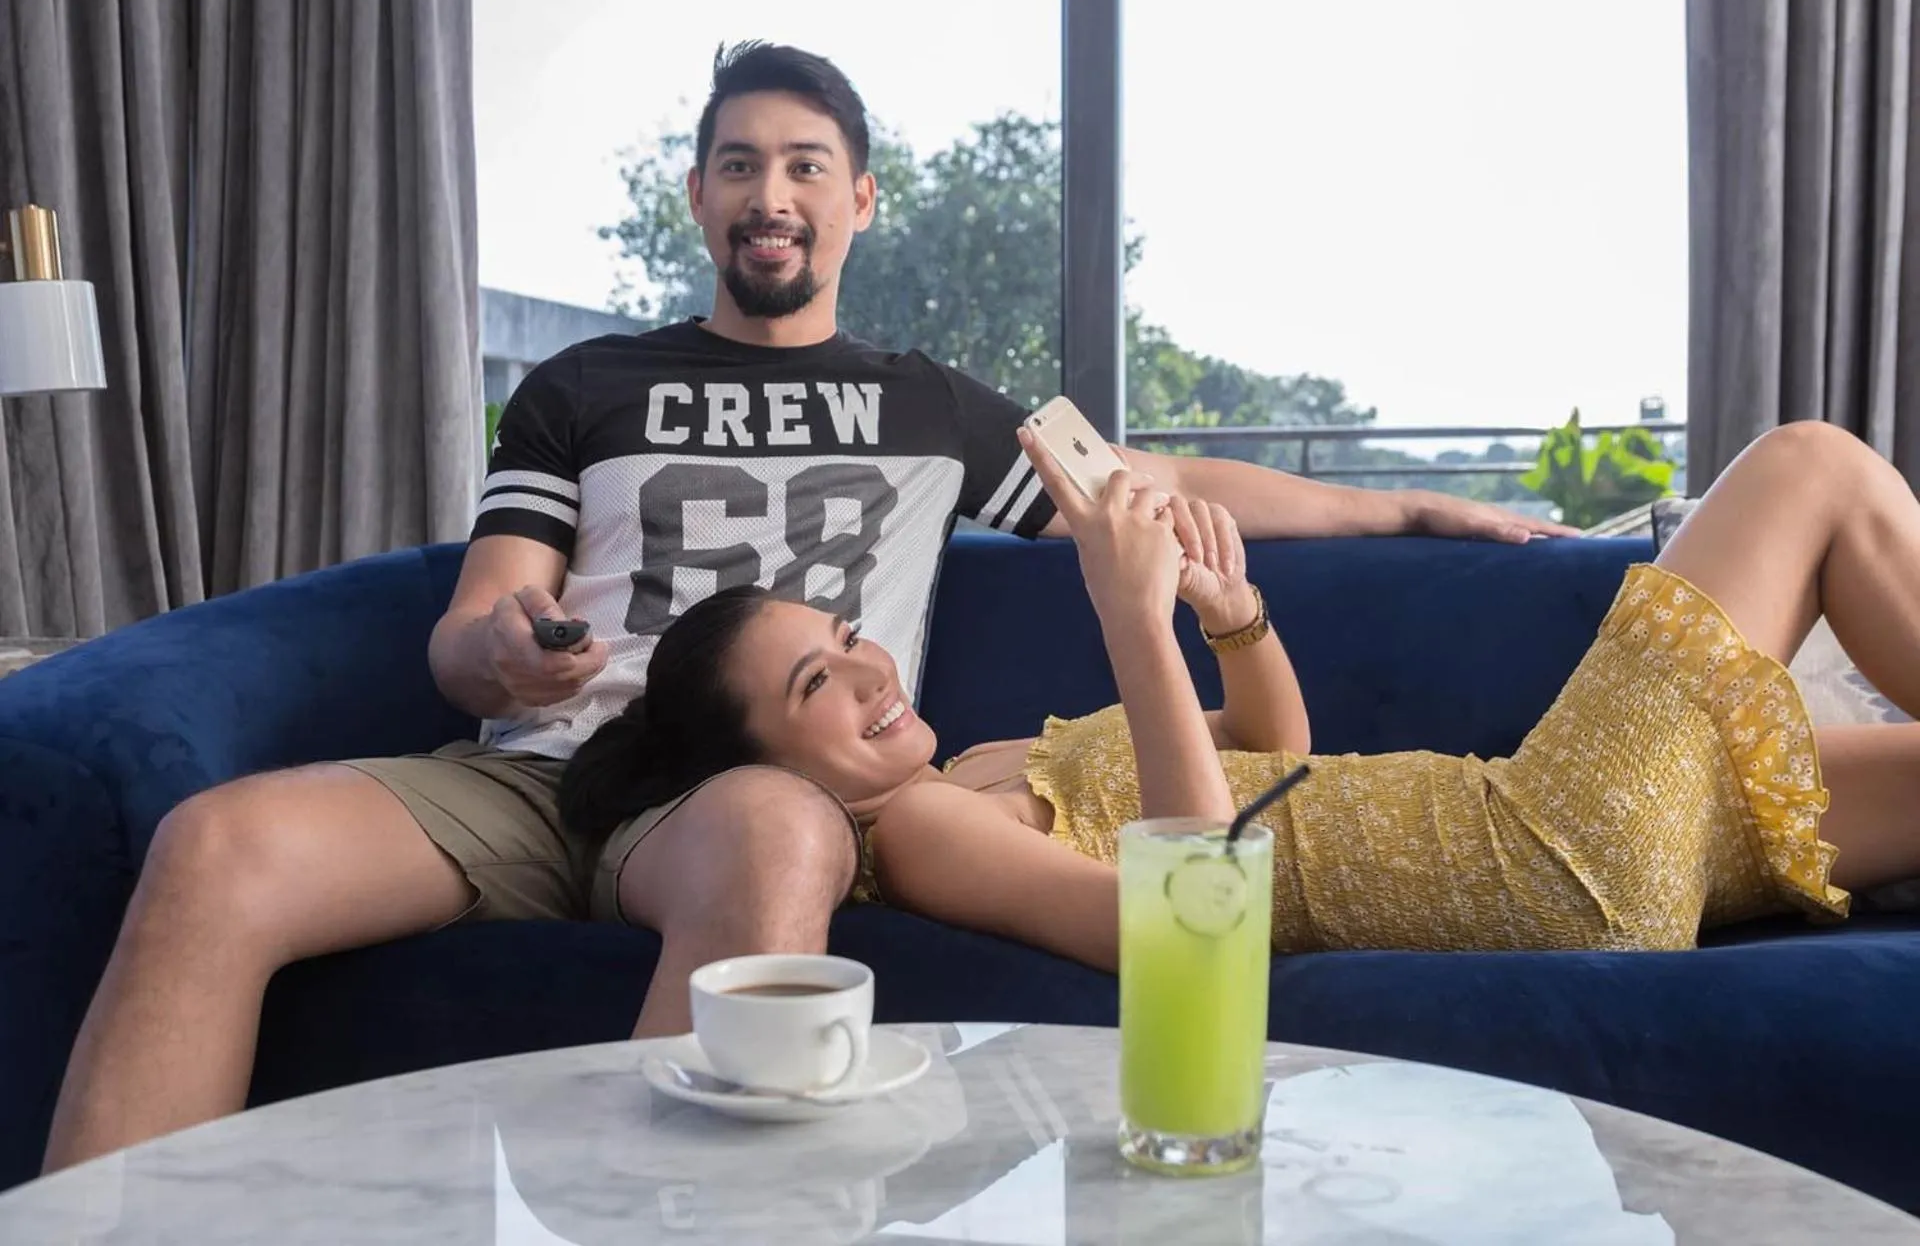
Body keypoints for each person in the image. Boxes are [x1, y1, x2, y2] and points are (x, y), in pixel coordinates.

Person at [39, 41, 1569, 1173]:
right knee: (214, 843)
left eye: (804, 165)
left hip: (751, 788)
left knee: (777, 828)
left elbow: (1145, 478)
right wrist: (498, 652)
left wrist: (1414, 505)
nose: (770, 196)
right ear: (698, 195)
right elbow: (476, 615)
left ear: (857, 200)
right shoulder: (582, 390)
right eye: (739, 165)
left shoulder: (929, 409)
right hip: (535, 770)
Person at [559, 419, 1920, 968]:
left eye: (850, 634)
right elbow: (1189, 932)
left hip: (1525, 827)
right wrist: (1128, 618)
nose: (869, 665)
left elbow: (1271, 751)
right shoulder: (912, 833)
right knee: (1807, 468)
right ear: (773, 771)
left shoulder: (974, 761)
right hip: (1540, 863)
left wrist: (1230, 616)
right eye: (817, 679)